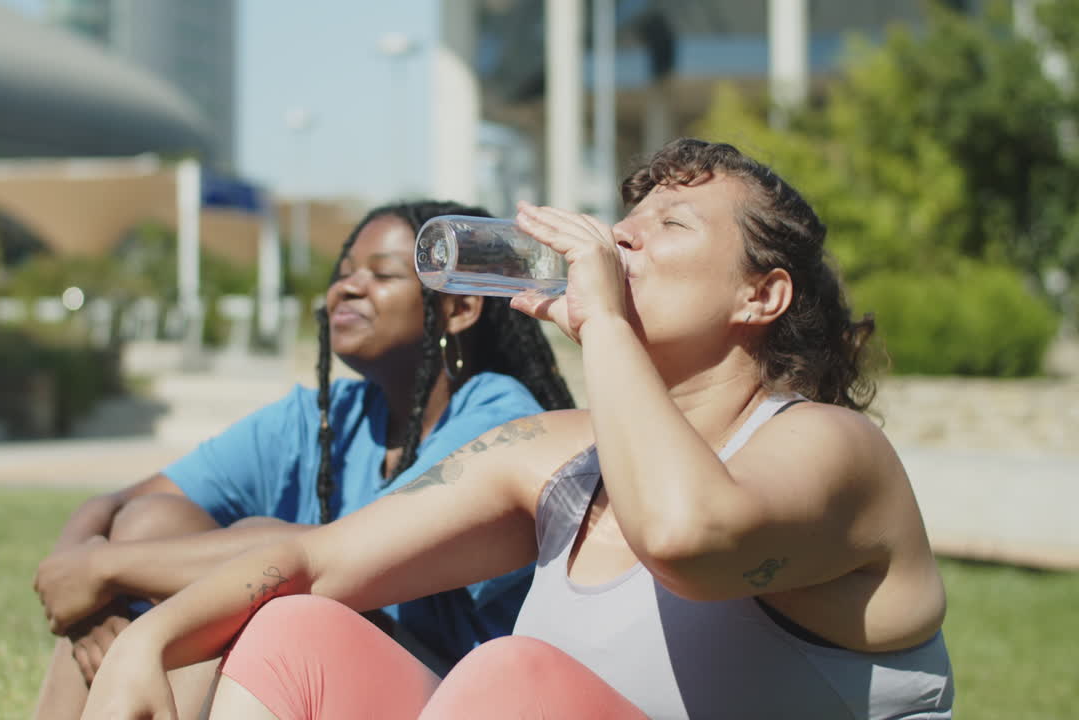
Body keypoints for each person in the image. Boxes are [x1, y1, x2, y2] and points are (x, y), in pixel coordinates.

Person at [77, 138, 954, 720]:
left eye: (669, 226)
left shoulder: (831, 450)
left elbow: (685, 537)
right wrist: (148, 641)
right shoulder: (555, 453)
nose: (621, 241)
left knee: (513, 677)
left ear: (761, 295)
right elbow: (318, 560)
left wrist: (602, 322)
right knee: (293, 631)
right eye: (624, 225)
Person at [31, 199, 575, 719]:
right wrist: (77, 584)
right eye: (344, 271)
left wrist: (101, 571)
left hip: (450, 693)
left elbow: (322, 562)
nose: (347, 287)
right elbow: (119, 504)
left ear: (458, 307)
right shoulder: (324, 415)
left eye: (381, 274)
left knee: (257, 571)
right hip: (325, 664)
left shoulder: (500, 420)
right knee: (151, 523)